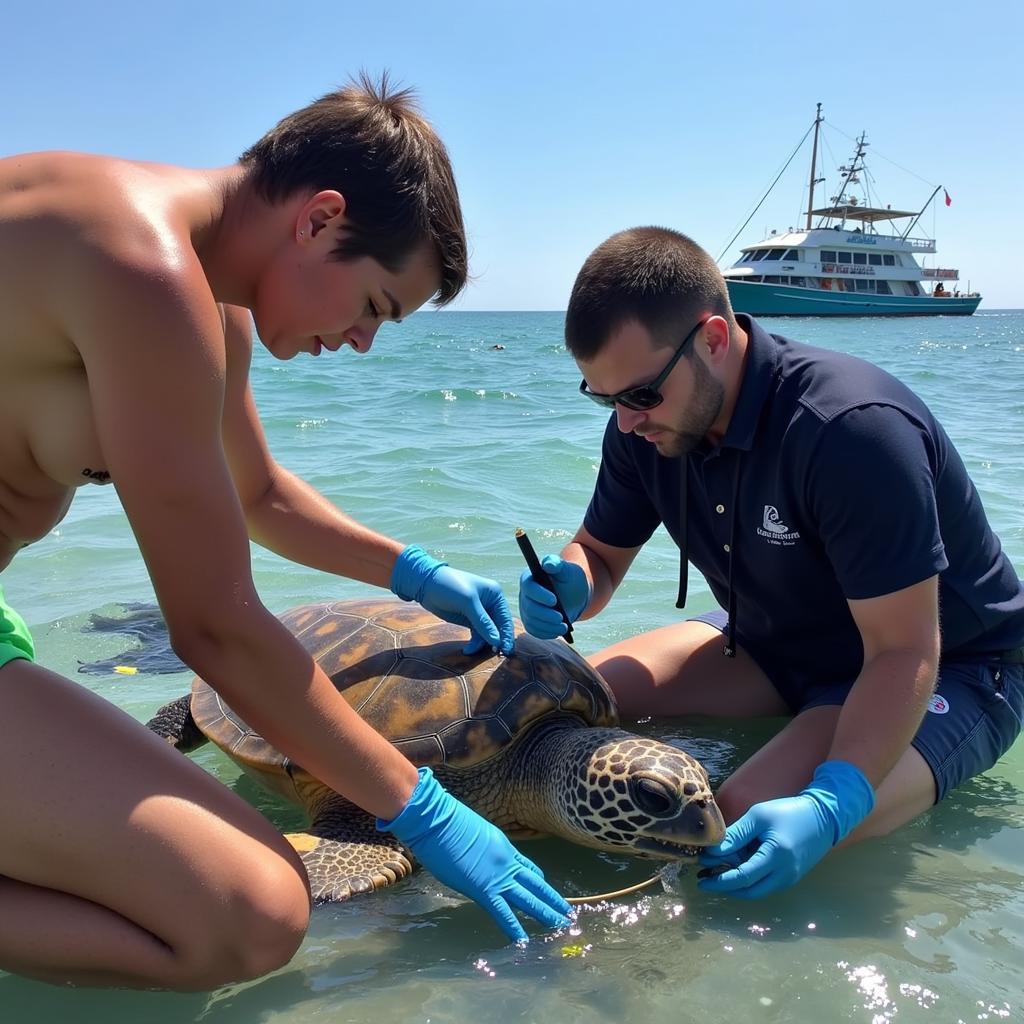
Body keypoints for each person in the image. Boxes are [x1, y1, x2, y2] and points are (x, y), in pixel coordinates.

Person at [0, 74, 570, 991]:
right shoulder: (145, 270)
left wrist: (414, 572)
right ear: (319, 219)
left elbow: (259, 496)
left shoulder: (193, 280)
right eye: (376, 306)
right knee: (249, 916)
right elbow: (214, 629)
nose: (361, 344)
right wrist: (418, 808)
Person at [520, 226, 1024, 900]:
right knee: (556, 703)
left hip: (950, 665)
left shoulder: (851, 431)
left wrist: (833, 802)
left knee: (729, 825)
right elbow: (602, 555)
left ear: (715, 341)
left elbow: (904, 650)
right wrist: (573, 581)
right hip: (771, 640)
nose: (627, 423)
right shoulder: (646, 426)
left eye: (638, 396)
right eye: (603, 399)